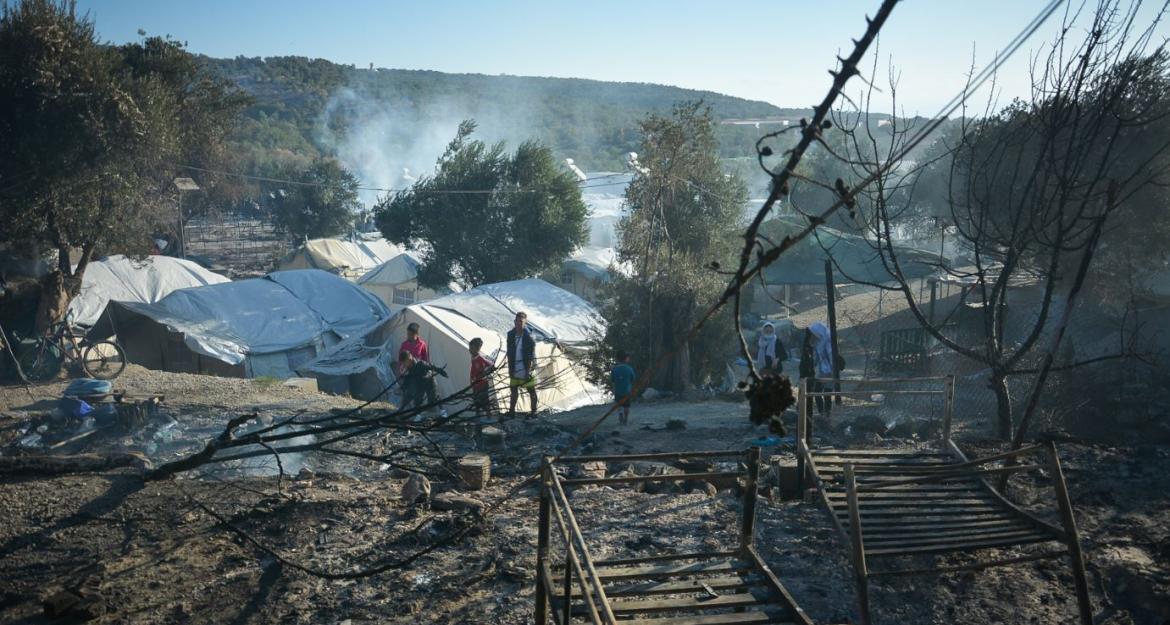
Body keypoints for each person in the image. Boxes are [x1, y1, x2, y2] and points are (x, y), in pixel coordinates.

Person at [505, 311, 538, 418]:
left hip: (526, 366)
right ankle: (511, 411)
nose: (518, 323)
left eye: (521, 321)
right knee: (513, 389)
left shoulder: (529, 337)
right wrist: (510, 368)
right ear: (514, 321)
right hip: (515, 366)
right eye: (517, 321)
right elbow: (509, 352)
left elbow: (530, 355)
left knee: (531, 390)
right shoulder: (510, 335)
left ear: (525, 322)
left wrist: (527, 371)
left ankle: (534, 411)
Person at [398, 350, 446, 415]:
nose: (403, 364)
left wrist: (441, 371)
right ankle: (414, 414)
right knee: (416, 401)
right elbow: (407, 380)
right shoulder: (409, 368)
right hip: (419, 384)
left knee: (434, 397)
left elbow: (432, 366)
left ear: (409, 359)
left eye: (404, 362)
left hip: (429, 381)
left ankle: (443, 412)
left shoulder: (420, 363)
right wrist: (402, 387)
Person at [469, 337, 495, 421]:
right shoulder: (474, 358)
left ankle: (488, 418)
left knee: (484, 402)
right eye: (470, 348)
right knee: (477, 403)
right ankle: (479, 418)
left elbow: (492, 366)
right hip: (476, 385)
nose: (470, 350)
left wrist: (485, 373)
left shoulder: (480, 359)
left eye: (472, 348)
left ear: (477, 348)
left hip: (482, 385)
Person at [611, 351, 636, 425]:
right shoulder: (629, 369)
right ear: (626, 359)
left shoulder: (614, 369)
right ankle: (626, 419)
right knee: (626, 405)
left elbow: (612, 380)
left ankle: (620, 414)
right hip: (627, 390)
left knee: (618, 404)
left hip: (618, 390)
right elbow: (633, 378)